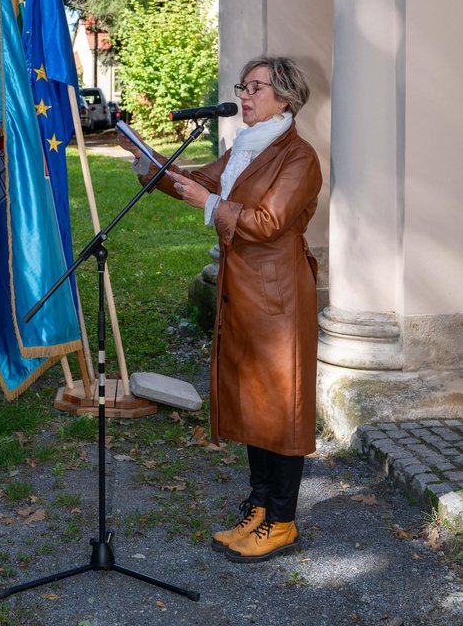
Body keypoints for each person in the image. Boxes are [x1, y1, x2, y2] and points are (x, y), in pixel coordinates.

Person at [118, 55, 322, 563]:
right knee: (255, 400)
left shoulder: (299, 157)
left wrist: (206, 205)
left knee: (282, 405)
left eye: (256, 87)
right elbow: (199, 182)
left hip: (277, 296)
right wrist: (147, 159)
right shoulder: (244, 148)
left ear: (286, 99)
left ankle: (282, 520)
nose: (245, 95)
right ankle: (258, 505)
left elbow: (267, 221)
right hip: (242, 289)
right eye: (243, 86)